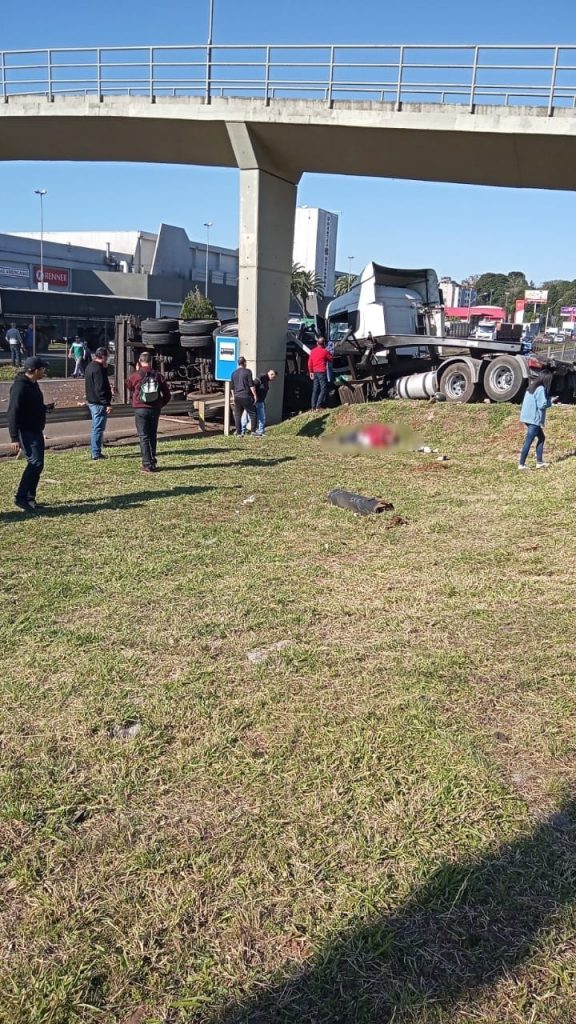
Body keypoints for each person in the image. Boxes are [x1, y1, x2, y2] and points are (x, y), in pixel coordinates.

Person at [7, 356, 51, 512]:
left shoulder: (33, 384)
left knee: (38, 464)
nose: (44, 371)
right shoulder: (19, 387)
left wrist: (44, 408)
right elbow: (13, 412)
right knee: (35, 463)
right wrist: (14, 437)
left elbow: (32, 406)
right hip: (26, 431)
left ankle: (30, 498)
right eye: (43, 369)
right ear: (35, 370)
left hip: (36, 429)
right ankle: (21, 498)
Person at [126, 351, 171, 473]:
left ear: (140, 362)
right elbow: (167, 394)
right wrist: (160, 404)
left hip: (140, 409)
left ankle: (146, 464)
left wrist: (137, 371)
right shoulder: (158, 376)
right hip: (155, 409)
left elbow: (129, 386)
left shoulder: (135, 376)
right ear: (151, 361)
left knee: (143, 436)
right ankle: (152, 461)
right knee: (152, 435)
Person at [518, 370, 553, 470]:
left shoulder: (532, 387)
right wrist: (550, 401)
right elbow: (542, 404)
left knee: (541, 437)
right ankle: (521, 464)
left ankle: (539, 462)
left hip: (527, 417)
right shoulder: (541, 388)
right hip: (534, 419)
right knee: (528, 441)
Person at [84, 346, 113, 461]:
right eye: (107, 357)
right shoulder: (98, 370)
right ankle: (96, 452)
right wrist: (107, 403)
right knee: (98, 428)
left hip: (92, 401)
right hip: (99, 403)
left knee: (96, 427)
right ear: (103, 357)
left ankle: (96, 450)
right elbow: (100, 388)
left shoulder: (90, 366)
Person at [240, 369, 278, 437]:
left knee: (258, 417)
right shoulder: (262, 377)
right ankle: (243, 430)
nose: (274, 379)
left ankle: (259, 431)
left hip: (260, 401)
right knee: (248, 416)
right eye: (274, 377)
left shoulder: (266, 380)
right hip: (255, 401)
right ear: (271, 374)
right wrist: (254, 397)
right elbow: (253, 385)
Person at [231, 356, 257, 436]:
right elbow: (251, 385)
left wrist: (233, 397)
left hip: (237, 396)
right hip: (246, 396)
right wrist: (255, 395)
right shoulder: (248, 372)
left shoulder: (233, 373)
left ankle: (238, 432)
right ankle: (253, 431)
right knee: (253, 413)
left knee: (237, 415)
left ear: (238, 363)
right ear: (244, 363)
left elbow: (232, 387)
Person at [308, 336, 333, 411]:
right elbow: (331, 359)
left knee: (315, 389)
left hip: (315, 372)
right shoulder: (325, 351)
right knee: (323, 389)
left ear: (317, 343)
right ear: (324, 344)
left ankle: (313, 407)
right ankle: (318, 406)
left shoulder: (312, 351)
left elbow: (309, 363)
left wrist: (311, 371)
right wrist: (330, 352)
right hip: (321, 372)